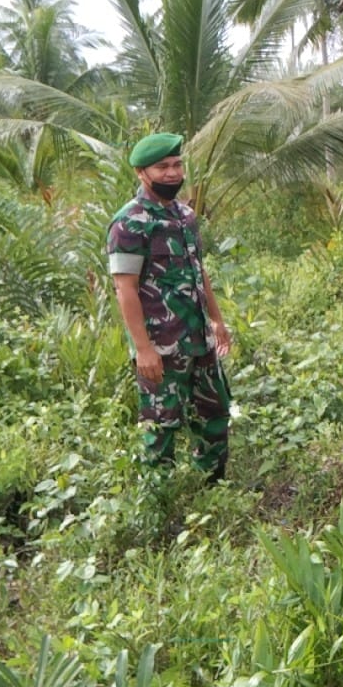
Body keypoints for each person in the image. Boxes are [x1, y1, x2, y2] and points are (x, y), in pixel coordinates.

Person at [107, 132, 233, 478]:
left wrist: (217, 321)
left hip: (199, 340)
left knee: (215, 414)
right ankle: (160, 502)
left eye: (177, 165)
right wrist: (144, 349)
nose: (173, 173)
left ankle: (211, 487)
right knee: (161, 426)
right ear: (141, 173)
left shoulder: (185, 217)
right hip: (161, 347)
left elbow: (198, 270)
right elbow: (125, 289)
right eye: (162, 167)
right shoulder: (129, 223)